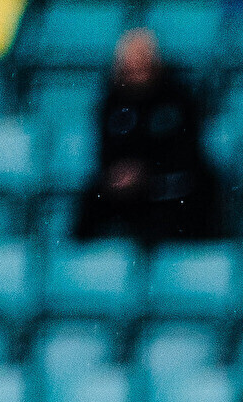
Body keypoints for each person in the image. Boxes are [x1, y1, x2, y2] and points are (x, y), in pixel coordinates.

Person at [70, 28, 228, 247]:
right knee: (92, 199)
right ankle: (81, 258)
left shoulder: (178, 99)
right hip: (128, 188)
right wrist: (119, 173)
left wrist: (146, 172)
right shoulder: (112, 102)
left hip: (170, 183)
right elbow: (105, 149)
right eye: (130, 67)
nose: (136, 72)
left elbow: (186, 150)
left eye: (142, 64)